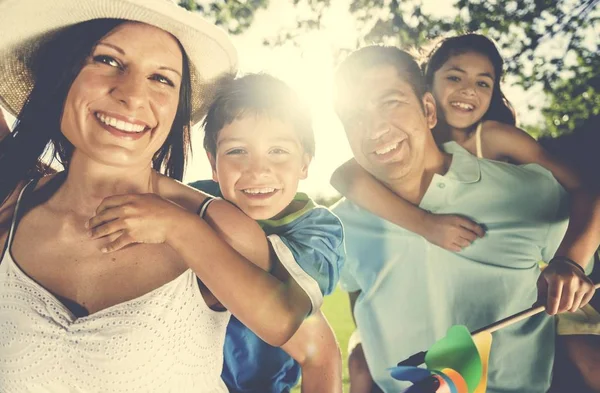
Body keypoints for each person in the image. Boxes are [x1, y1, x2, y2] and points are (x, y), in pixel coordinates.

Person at [0, 1, 314, 391]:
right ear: (61, 77)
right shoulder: (12, 207)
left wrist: (177, 228)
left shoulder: (217, 226)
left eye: (162, 79)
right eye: (108, 61)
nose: (132, 95)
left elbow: (286, 325)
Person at [330, 45, 598, 393]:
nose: (374, 128)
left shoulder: (525, 190)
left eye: (391, 102)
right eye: (354, 115)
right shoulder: (341, 224)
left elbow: (585, 200)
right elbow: (356, 296)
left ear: (428, 109)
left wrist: (571, 263)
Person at [331, 34, 599, 260]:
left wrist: (571, 259)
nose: (469, 90)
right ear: (428, 86)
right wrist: (423, 224)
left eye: (482, 83)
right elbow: (344, 177)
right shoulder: (409, 138)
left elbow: (581, 187)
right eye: (455, 78)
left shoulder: (493, 137)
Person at [190, 73, 344, 393]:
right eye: (236, 152)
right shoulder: (193, 199)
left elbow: (283, 302)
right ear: (213, 163)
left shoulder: (317, 230)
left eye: (277, 151)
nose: (258, 170)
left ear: (304, 163)